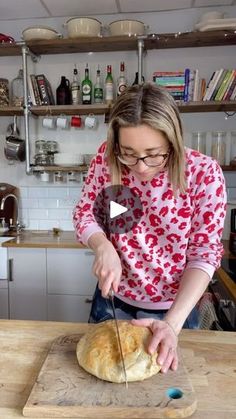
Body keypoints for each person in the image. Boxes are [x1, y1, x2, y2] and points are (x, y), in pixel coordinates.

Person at [73, 82, 226, 374]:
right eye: (128, 153)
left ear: (173, 141)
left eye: (154, 154)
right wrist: (102, 245)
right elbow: (85, 214)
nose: (141, 168)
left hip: (176, 311)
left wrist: (171, 323)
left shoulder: (203, 174)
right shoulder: (106, 160)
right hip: (113, 304)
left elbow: (204, 255)